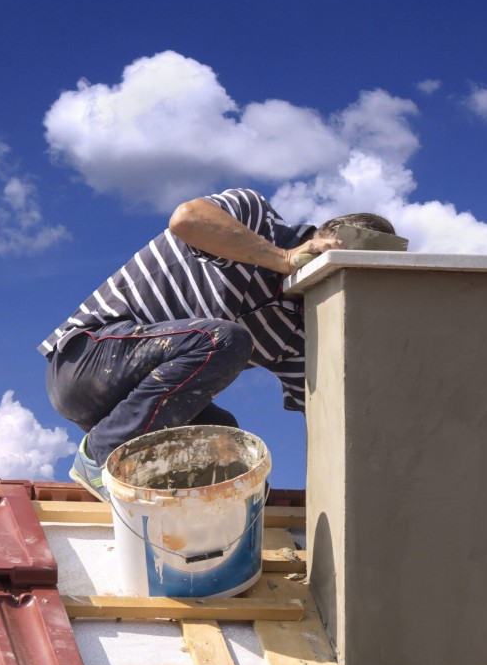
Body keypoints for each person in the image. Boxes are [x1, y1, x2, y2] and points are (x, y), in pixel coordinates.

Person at [39, 187, 394, 501]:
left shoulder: (299, 335)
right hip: (85, 362)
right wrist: (283, 260)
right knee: (225, 340)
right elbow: (187, 219)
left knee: (232, 462)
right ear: (321, 240)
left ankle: (151, 495)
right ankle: (101, 455)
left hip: (133, 405)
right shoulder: (256, 219)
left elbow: (326, 423)